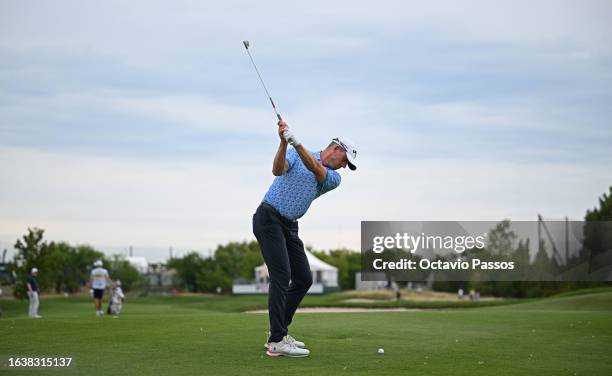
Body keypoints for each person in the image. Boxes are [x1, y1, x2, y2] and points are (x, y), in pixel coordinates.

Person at [253, 120, 357, 357]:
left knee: (303, 278)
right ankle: (277, 341)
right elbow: (277, 170)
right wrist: (282, 143)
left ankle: (277, 332)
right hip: (268, 218)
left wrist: (296, 143)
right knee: (281, 276)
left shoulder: (333, 178)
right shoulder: (296, 153)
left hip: (289, 227)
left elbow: (316, 169)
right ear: (335, 150)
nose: (343, 167)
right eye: (344, 161)